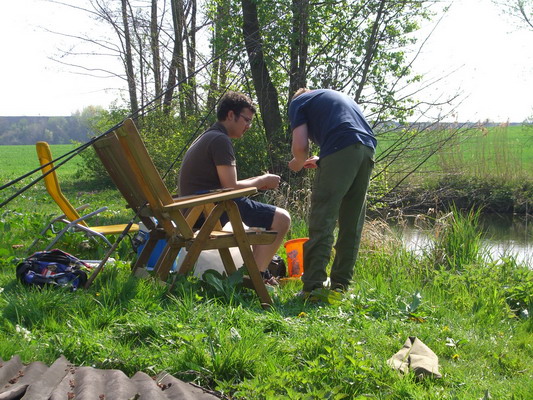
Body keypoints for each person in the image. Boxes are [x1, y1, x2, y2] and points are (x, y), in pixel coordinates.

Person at [179, 91, 291, 285]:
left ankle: (256, 274)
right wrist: (261, 180)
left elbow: (226, 184)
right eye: (246, 120)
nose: (248, 126)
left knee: (259, 221)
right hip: (207, 209)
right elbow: (230, 187)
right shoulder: (220, 140)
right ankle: (256, 278)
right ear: (231, 115)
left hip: (194, 209)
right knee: (282, 219)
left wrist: (258, 180)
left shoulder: (208, 136)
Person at [287, 88, 376, 295]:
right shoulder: (333, 98)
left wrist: (297, 162)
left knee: (322, 219)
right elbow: (350, 135)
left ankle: (313, 287)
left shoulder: (298, 102)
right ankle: (340, 286)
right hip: (367, 149)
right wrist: (323, 159)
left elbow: (300, 147)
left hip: (341, 147)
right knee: (351, 223)